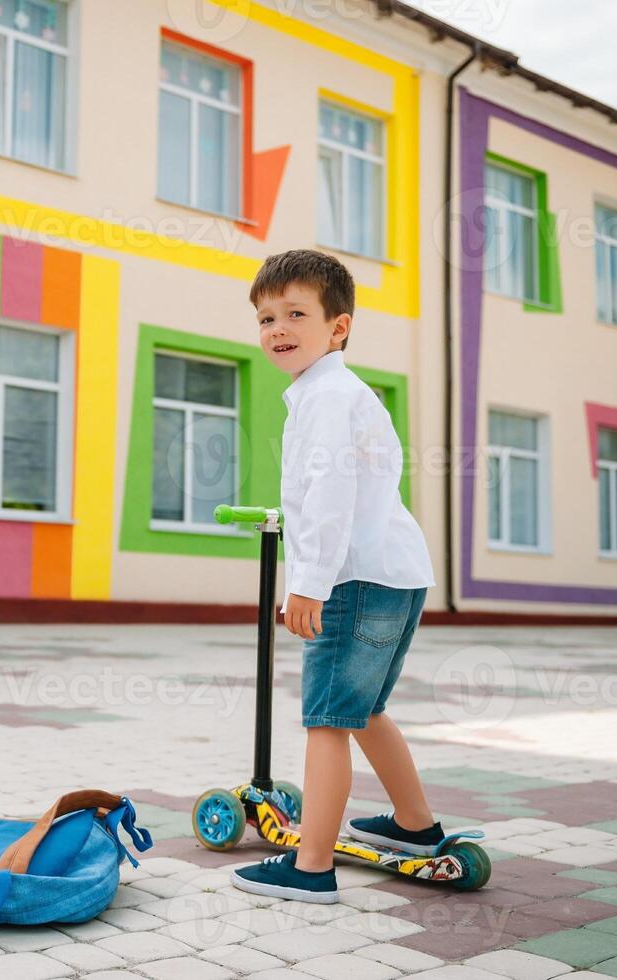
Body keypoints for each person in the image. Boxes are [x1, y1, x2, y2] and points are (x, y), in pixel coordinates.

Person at [230, 250, 440, 904]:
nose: (277, 328)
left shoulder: (326, 397)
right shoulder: (343, 394)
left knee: (325, 719)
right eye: (266, 317)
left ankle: (311, 865)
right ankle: (416, 825)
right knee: (363, 710)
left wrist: (308, 582)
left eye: (296, 313)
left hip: (352, 580)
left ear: (337, 327)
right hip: (396, 573)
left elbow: (329, 493)